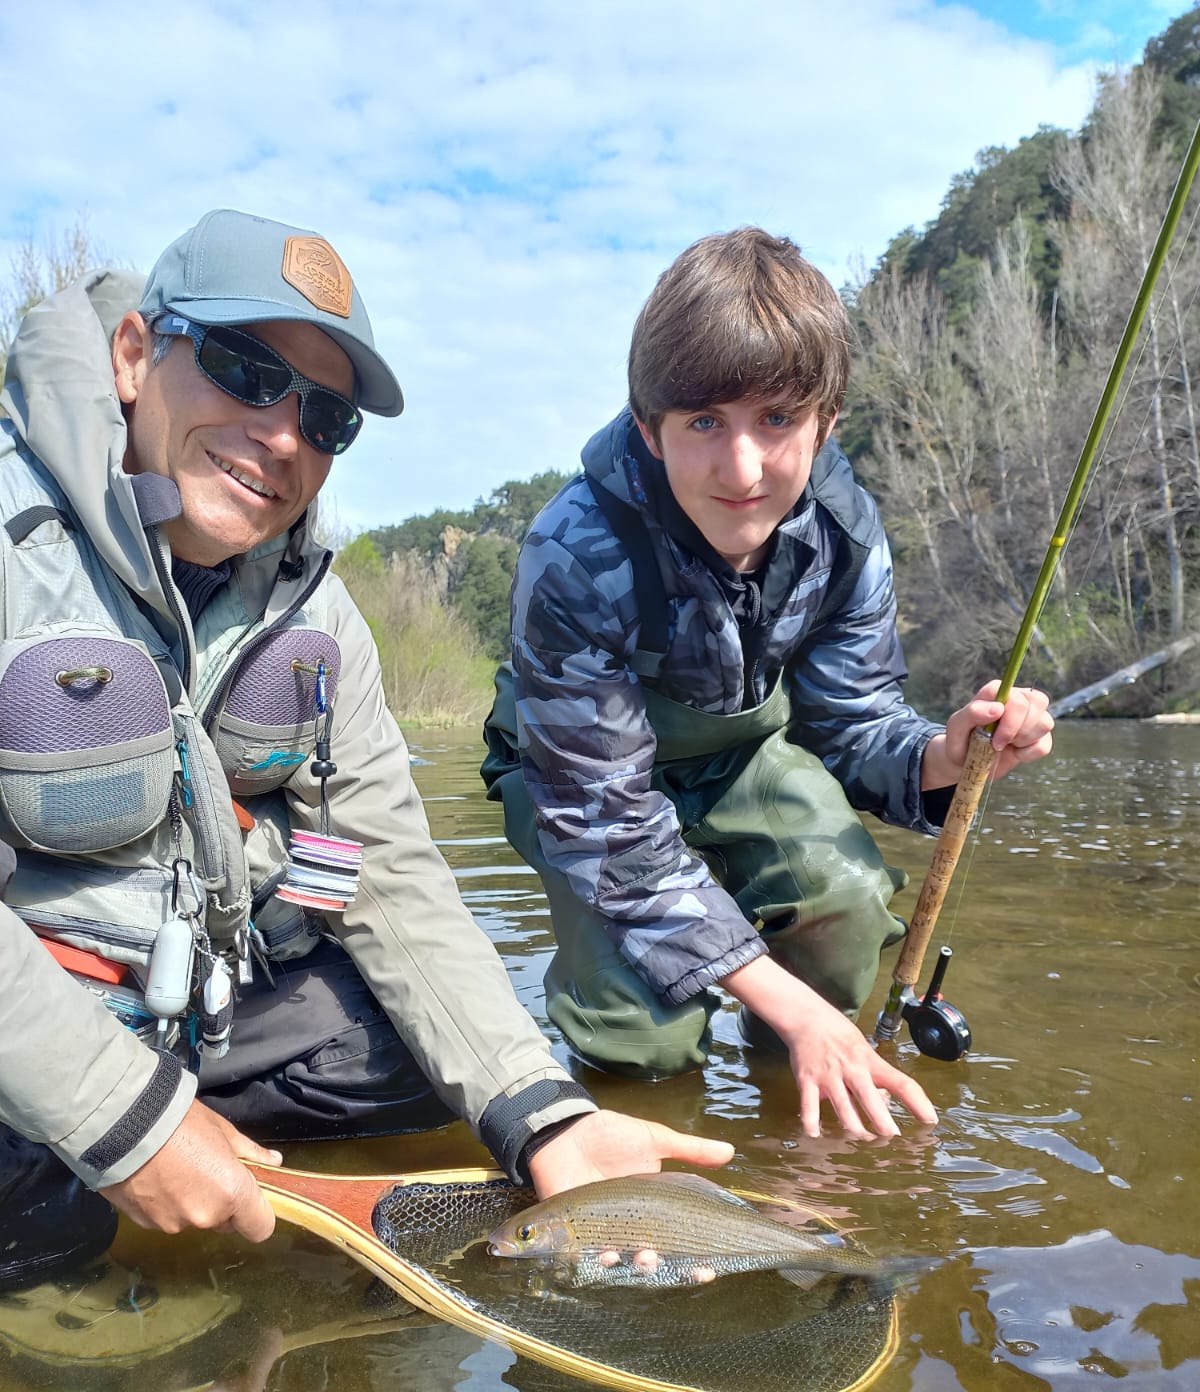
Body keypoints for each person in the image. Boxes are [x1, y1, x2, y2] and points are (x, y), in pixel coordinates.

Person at [0, 208, 733, 1294]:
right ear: (134, 354)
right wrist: (125, 1122)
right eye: (247, 370)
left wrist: (542, 1113)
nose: (285, 435)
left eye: (327, 417)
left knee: (431, 1069)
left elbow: (386, 872)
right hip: (36, 1025)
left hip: (191, 1012)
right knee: (42, 1226)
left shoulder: (323, 616)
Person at [483, 226, 1054, 1141]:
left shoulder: (846, 532)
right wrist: (792, 1005)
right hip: (579, 788)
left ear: (827, 423)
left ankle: (800, 1134)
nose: (743, 469)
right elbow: (611, 827)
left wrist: (946, 756)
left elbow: (855, 724)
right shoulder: (573, 550)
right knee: (641, 1034)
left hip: (744, 754)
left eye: (777, 421)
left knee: (846, 905)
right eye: (704, 422)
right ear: (649, 430)